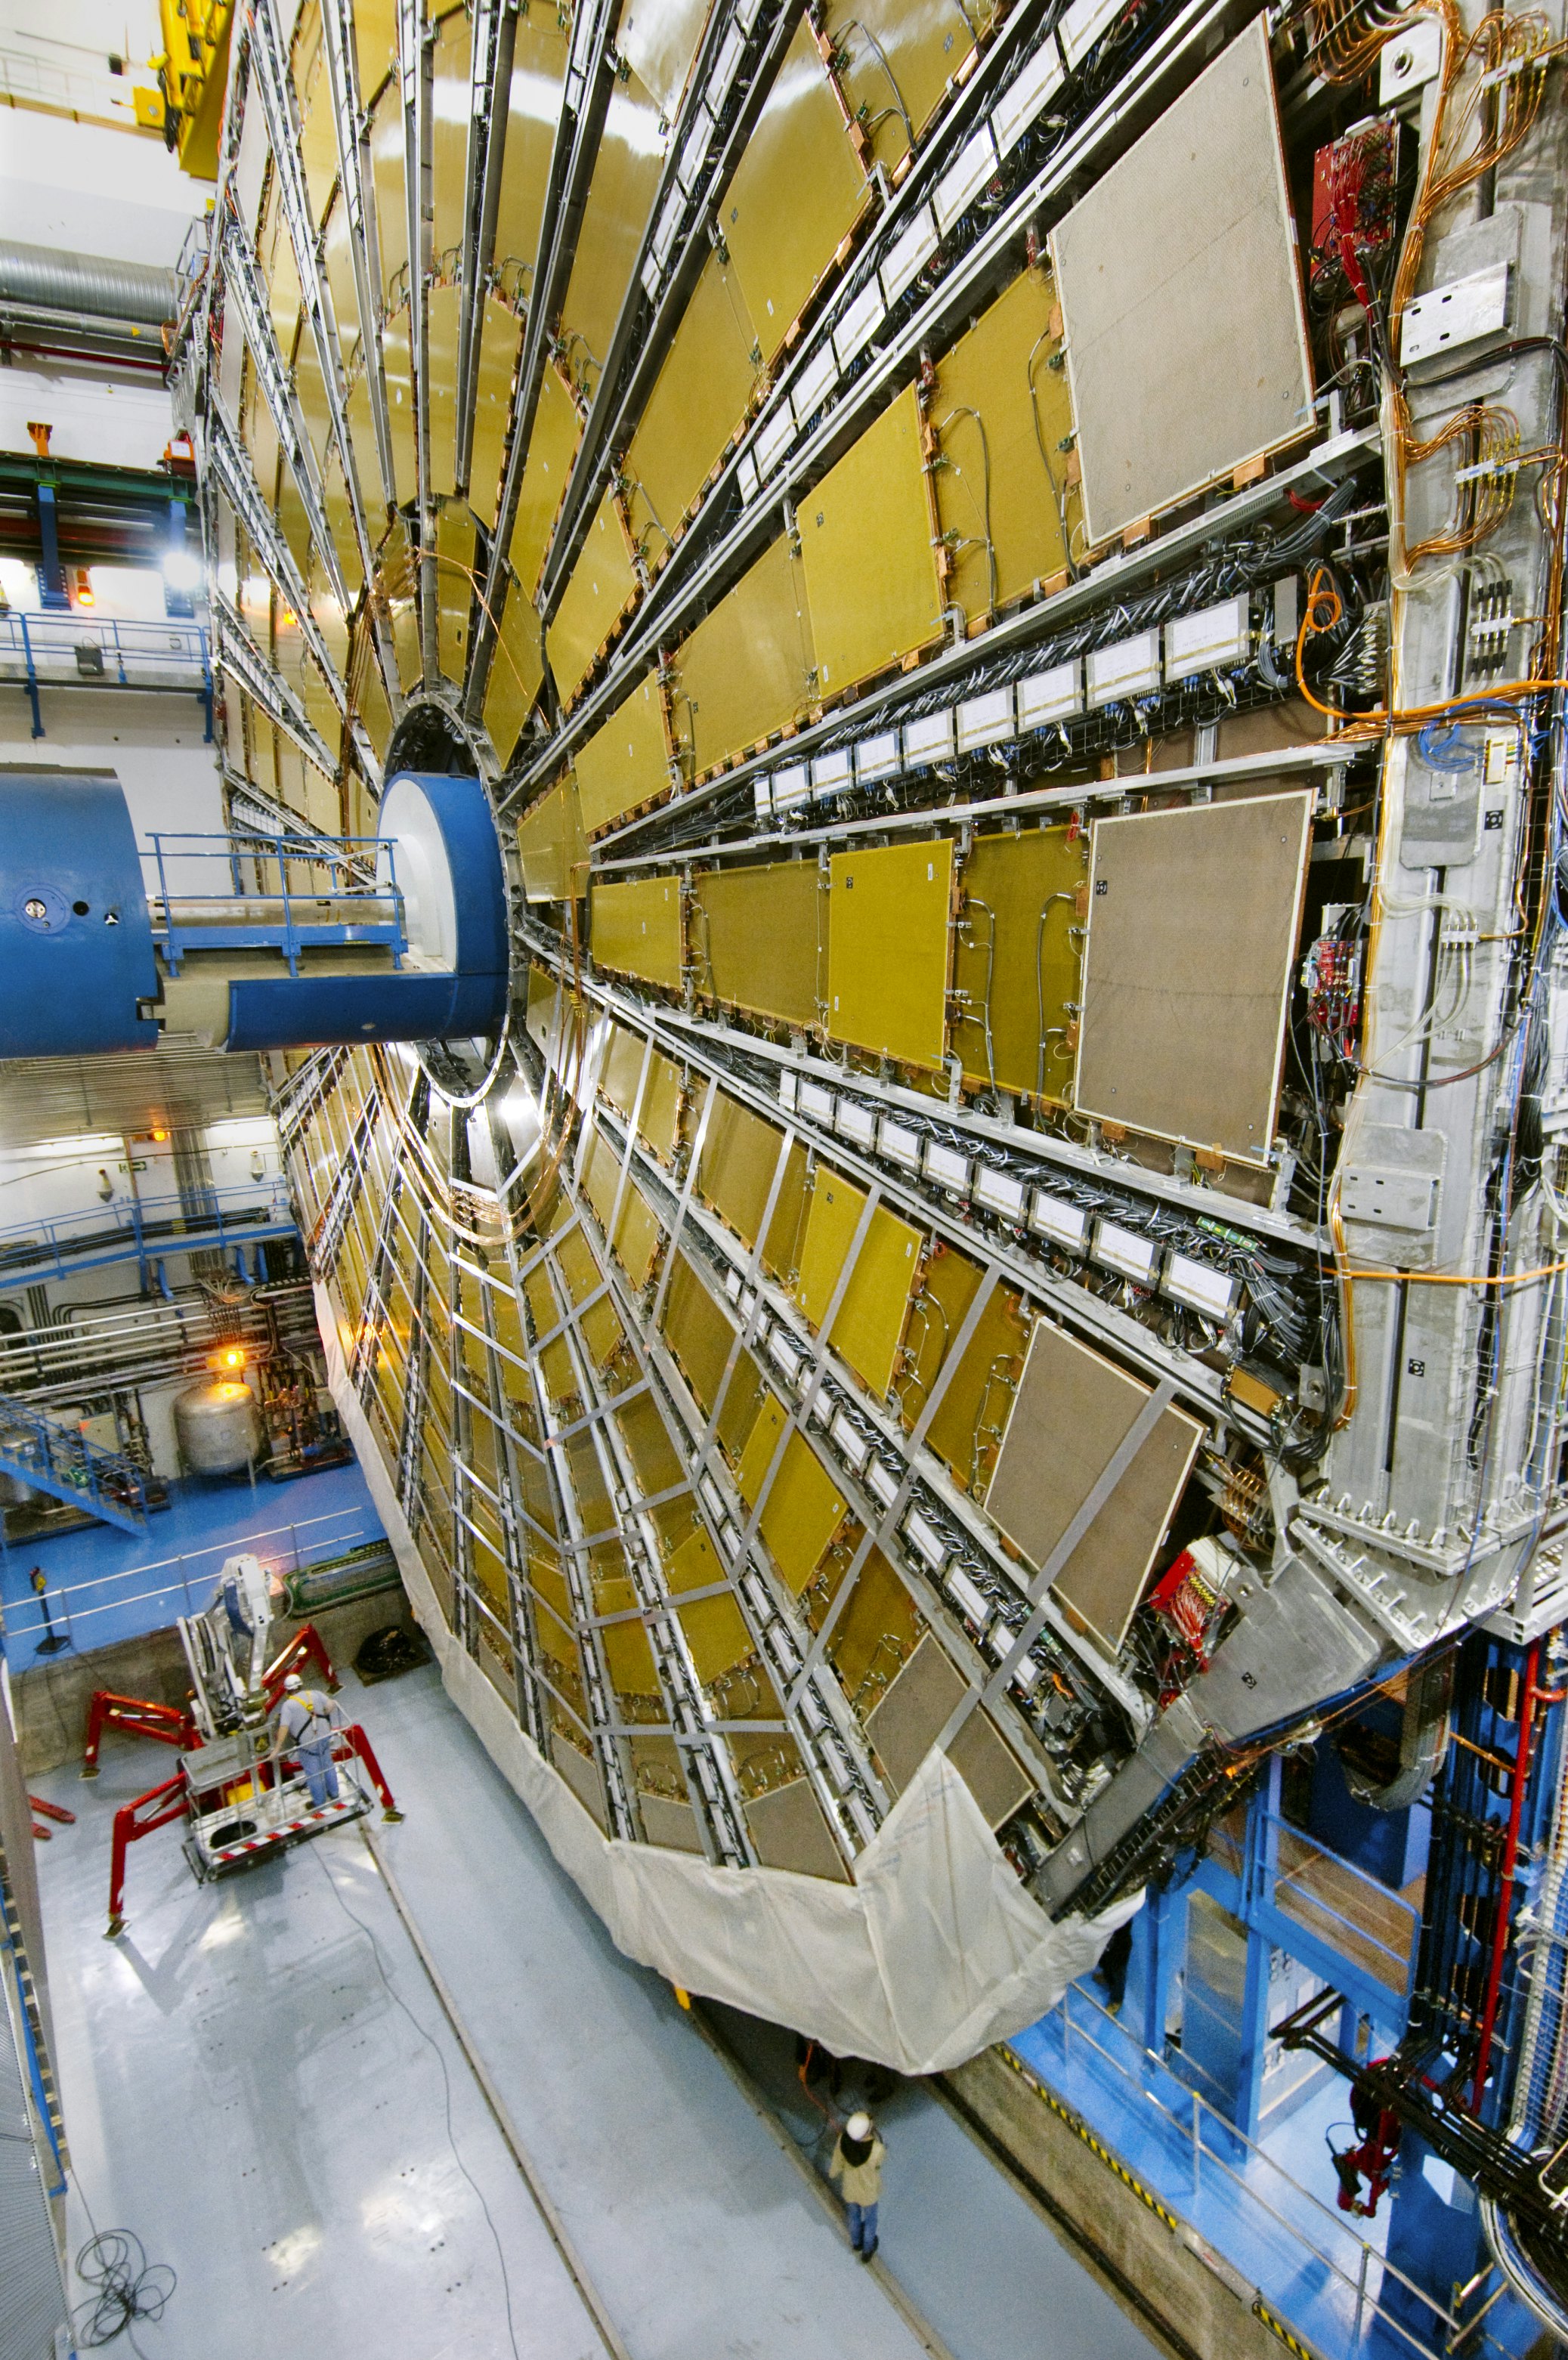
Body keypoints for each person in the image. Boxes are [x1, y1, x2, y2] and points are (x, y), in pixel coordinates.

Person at [276, 1672, 345, 1807]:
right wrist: (323, 1714)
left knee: (313, 1774)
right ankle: (335, 1794)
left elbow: (283, 1728)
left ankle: (319, 1802)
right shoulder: (315, 1693)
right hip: (325, 1738)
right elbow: (331, 1704)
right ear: (301, 1685)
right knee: (328, 1766)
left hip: (308, 1745)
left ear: (288, 1691)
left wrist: (277, 1749)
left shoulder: (288, 1706)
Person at [828, 2110, 885, 2262]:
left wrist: (833, 2173)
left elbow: (837, 2162)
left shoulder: (842, 2141)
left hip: (850, 2189)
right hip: (868, 2193)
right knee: (871, 2220)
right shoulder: (877, 2150)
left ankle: (856, 2243)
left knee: (853, 2216)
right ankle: (867, 2250)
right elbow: (878, 2166)